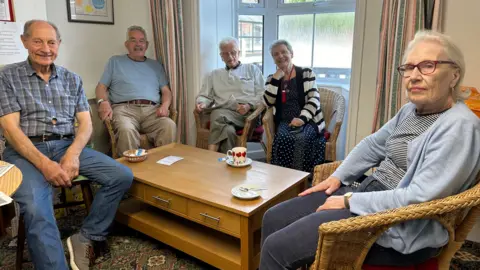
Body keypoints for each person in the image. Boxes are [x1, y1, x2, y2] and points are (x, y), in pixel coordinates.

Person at [259, 31, 480, 269]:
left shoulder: (460, 126)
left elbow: (418, 198)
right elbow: (373, 144)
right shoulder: (411, 110)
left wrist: (349, 201)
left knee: (276, 249)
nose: (414, 76)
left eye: (428, 66)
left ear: (454, 75)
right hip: (368, 196)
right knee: (272, 217)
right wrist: (338, 176)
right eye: (408, 67)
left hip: (397, 226)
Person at [0, 20, 134, 270]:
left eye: (51, 42)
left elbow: (85, 124)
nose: (45, 48)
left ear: (59, 45)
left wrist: (72, 155)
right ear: (25, 41)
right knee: (37, 208)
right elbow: (10, 129)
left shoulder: (73, 79)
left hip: (66, 145)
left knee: (121, 175)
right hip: (25, 151)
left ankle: (86, 237)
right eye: (37, 41)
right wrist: (45, 164)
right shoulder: (7, 76)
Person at [95, 25, 176, 155]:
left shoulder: (155, 65)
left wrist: (165, 106)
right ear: (127, 44)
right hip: (124, 110)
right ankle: (130, 173)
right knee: (127, 130)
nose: (138, 44)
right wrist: (103, 102)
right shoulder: (115, 61)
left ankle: (162, 168)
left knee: (169, 125)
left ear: (147, 45)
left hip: (152, 111)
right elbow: (101, 87)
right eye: (133, 40)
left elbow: (166, 91)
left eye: (141, 40)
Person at [263, 40, 327, 173]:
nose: (280, 56)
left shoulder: (306, 73)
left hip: (308, 120)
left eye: (284, 52)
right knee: (282, 138)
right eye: (276, 54)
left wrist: (302, 118)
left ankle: (301, 176)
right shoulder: (271, 79)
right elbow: (268, 102)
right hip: (285, 121)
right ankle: (282, 175)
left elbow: (314, 98)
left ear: (291, 54)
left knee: (301, 138)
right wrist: (275, 79)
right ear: (273, 59)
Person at [195, 37, 265, 153]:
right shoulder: (214, 74)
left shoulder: (252, 69)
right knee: (228, 131)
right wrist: (201, 103)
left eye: (233, 53)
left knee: (217, 114)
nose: (230, 57)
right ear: (221, 56)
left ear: (239, 53)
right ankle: (229, 165)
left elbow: (263, 94)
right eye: (226, 54)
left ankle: (210, 156)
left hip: (247, 115)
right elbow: (206, 95)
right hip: (225, 114)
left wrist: (249, 105)